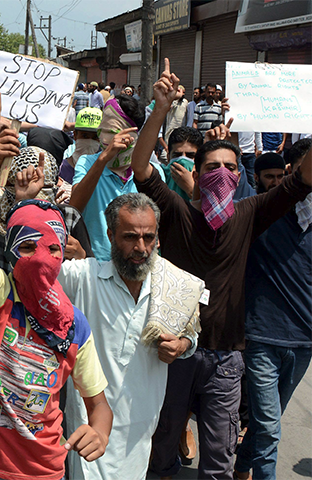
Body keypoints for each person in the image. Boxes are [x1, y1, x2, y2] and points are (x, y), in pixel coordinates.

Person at [133, 58, 312, 480]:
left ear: (240, 176)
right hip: (175, 352)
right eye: (212, 166)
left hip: (227, 358)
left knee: (219, 461)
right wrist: (159, 108)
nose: (222, 173)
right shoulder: (177, 212)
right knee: (162, 450)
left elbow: (300, 180)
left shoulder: (250, 213)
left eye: (231, 167)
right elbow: (141, 169)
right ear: (196, 172)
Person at [0, 66, 112, 480]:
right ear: (9, 252)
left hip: (40, 470)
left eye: (53, 247)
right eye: (26, 246)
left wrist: (101, 431)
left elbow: (99, 405)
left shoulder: (75, 326)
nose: (40, 257)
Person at [59, 193, 203, 480]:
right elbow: (30, 276)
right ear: (110, 235)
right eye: (129, 237)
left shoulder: (174, 286)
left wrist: (182, 345)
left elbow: (192, 333)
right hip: (88, 424)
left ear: (158, 238)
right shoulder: (84, 277)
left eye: (148, 237)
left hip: (140, 426)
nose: (141, 248)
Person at [234, 138, 312, 480]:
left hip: (304, 343)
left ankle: (239, 466)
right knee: (268, 427)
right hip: (262, 337)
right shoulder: (260, 213)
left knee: (271, 420)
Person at [69, 94, 166, 261]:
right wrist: (103, 159)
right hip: (97, 266)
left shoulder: (151, 173)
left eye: (113, 133)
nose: (107, 140)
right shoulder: (87, 163)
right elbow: (74, 207)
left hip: (138, 264)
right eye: (103, 132)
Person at [59, 107, 102, 185]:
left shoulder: (105, 172)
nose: (89, 142)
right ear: (75, 135)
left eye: (95, 137)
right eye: (85, 136)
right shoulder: (61, 169)